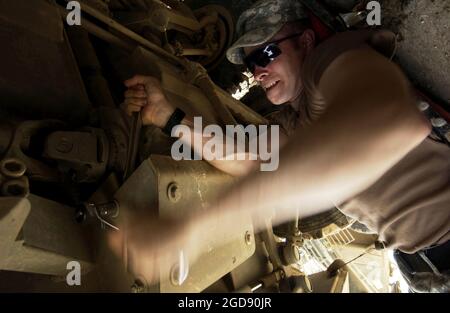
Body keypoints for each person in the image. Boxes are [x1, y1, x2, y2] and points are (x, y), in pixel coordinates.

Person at [112, 0, 449, 290]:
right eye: (251, 64)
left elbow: (394, 122)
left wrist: (195, 229)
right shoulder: (296, 118)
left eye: (266, 53)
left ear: (304, 41)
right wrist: (170, 117)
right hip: (422, 264)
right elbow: (245, 158)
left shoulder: (332, 60)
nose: (258, 71)